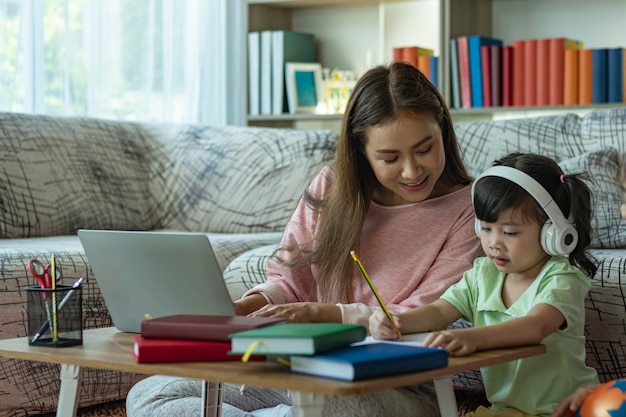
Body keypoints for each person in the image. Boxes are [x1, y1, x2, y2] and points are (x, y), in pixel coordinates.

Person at [126, 61, 483, 417]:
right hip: (301, 368)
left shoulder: (469, 208)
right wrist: (239, 311)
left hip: (396, 384)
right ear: (362, 154)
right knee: (152, 393)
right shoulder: (331, 187)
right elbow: (288, 281)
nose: (412, 170)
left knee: (331, 406)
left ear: (443, 132)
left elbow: (420, 314)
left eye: (424, 149)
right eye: (389, 158)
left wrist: (316, 313)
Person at [369, 152, 600, 417]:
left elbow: (534, 327)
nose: (493, 243)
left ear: (553, 234)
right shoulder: (482, 274)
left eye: (510, 232)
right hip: (505, 411)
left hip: (566, 410)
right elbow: (439, 311)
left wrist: (470, 338)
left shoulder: (561, 279)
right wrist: (397, 322)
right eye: (486, 228)